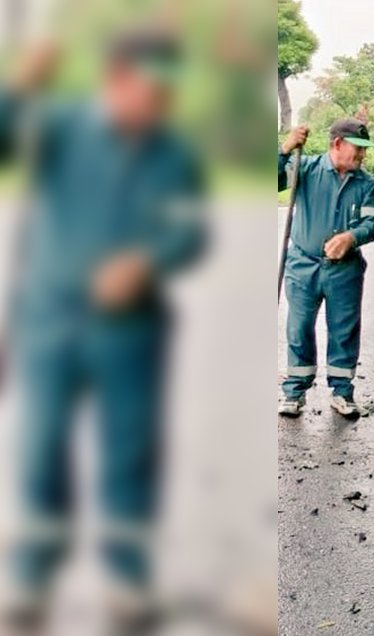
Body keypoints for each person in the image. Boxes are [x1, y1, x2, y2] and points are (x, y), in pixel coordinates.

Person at [0, 29, 206, 632]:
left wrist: (145, 260)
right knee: (40, 449)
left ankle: (127, 578)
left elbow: (187, 232)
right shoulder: (63, 126)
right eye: (150, 90)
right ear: (115, 82)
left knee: (129, 453)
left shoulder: (173, 154)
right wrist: (20, 86)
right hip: (51, 320)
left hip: (131, 330)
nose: (160, 104)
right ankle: (32, 575)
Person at [277, 118, 374, 418]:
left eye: (364, 150)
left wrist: (352, 237)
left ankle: (342, 392)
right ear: (338, 144)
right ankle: (295, 391)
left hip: (345, 271)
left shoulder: (367, 184)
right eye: (358, 149)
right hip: (302, 266)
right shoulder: (305, 169)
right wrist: (285, 149)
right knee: (298, 327)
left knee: (344, 330)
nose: (363, 155)